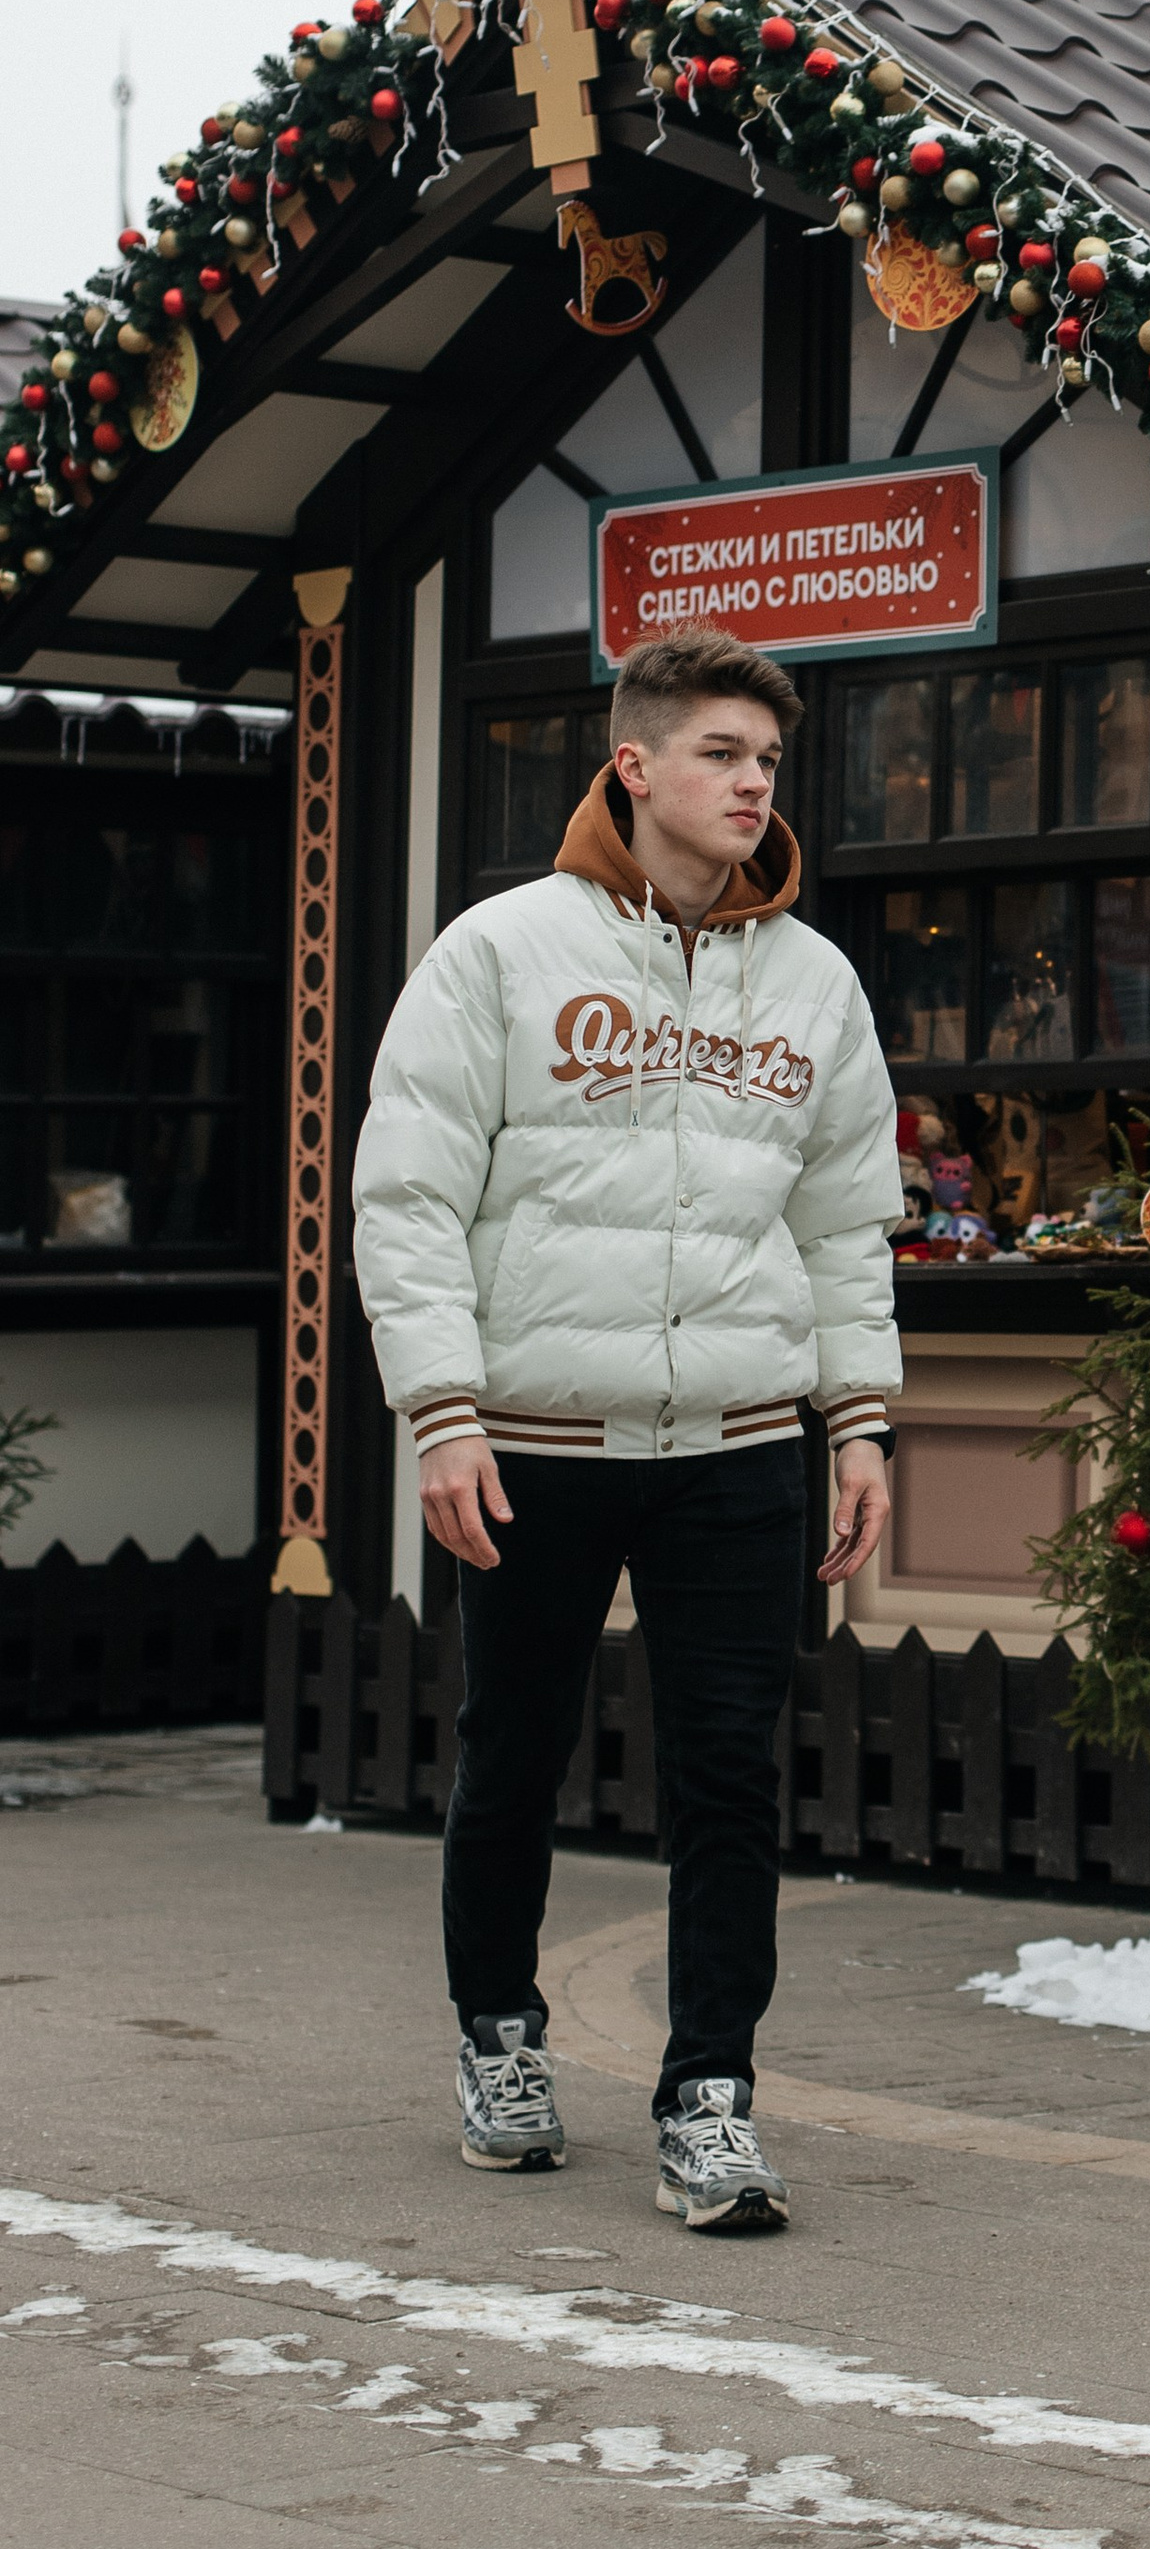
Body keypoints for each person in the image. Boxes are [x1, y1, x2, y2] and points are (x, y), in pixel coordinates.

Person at [352, 622, 903, 2234]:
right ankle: (501, 2037)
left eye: (769, 760)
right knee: (512, 1753)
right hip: (533, 1439)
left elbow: (843, 1223)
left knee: (731, 1772)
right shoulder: (501, 955)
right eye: (722, 754)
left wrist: (856, 1422)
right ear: (635, 765)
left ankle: (711, 2094)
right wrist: (442, 1413)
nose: (753, 784)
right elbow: (410, 1196)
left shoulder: (814, 981)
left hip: (739, 1446)